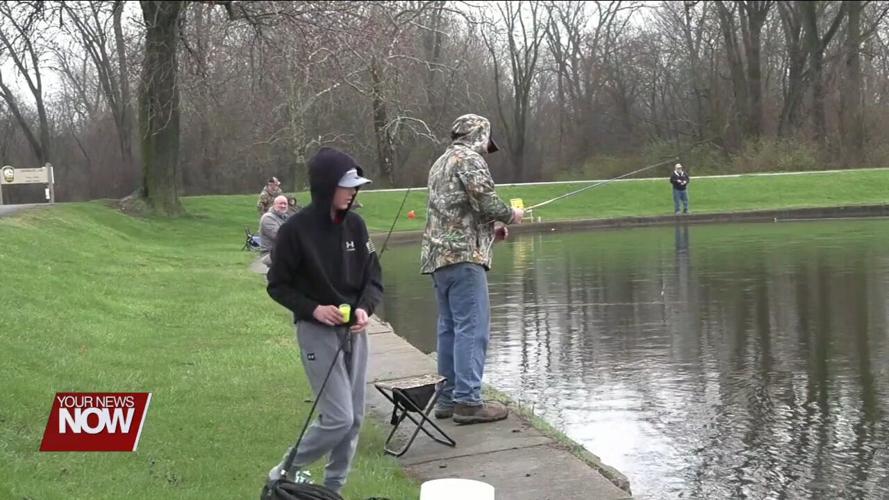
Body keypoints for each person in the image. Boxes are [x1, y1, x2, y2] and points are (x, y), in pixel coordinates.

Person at [266, 147, 382, 495]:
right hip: (316, 332)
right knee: (338, 418)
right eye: (347, 185)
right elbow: (278, 286)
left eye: (356, 186)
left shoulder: (357, 226)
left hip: (354, 333)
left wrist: (365, 308)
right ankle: (284, 471)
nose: (353, 192)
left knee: (356, 418)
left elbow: (373, 279)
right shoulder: (294, 232)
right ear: (326, 185)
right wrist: (314, 309)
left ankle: (334, 490)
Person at [420, 114, 524, 425]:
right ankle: (468, 400)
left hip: (438, 258)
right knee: (471, 327)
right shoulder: (470, 159)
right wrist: (511, 215)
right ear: (480, 135)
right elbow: (487, 202)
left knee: (449, 327)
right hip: (464, 258)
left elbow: (457, 209)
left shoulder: (440, 163)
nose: (486, 149)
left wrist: (490, 229)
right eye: (486, 142)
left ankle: (448, 398)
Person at [259, 195, 289, 266]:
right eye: (280, 203)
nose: (283, 206)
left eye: (285, 204)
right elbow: (280, 237)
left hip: (283, 251)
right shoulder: (267, 218)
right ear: (274, 205)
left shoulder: (285, 217)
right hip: (269, 254)